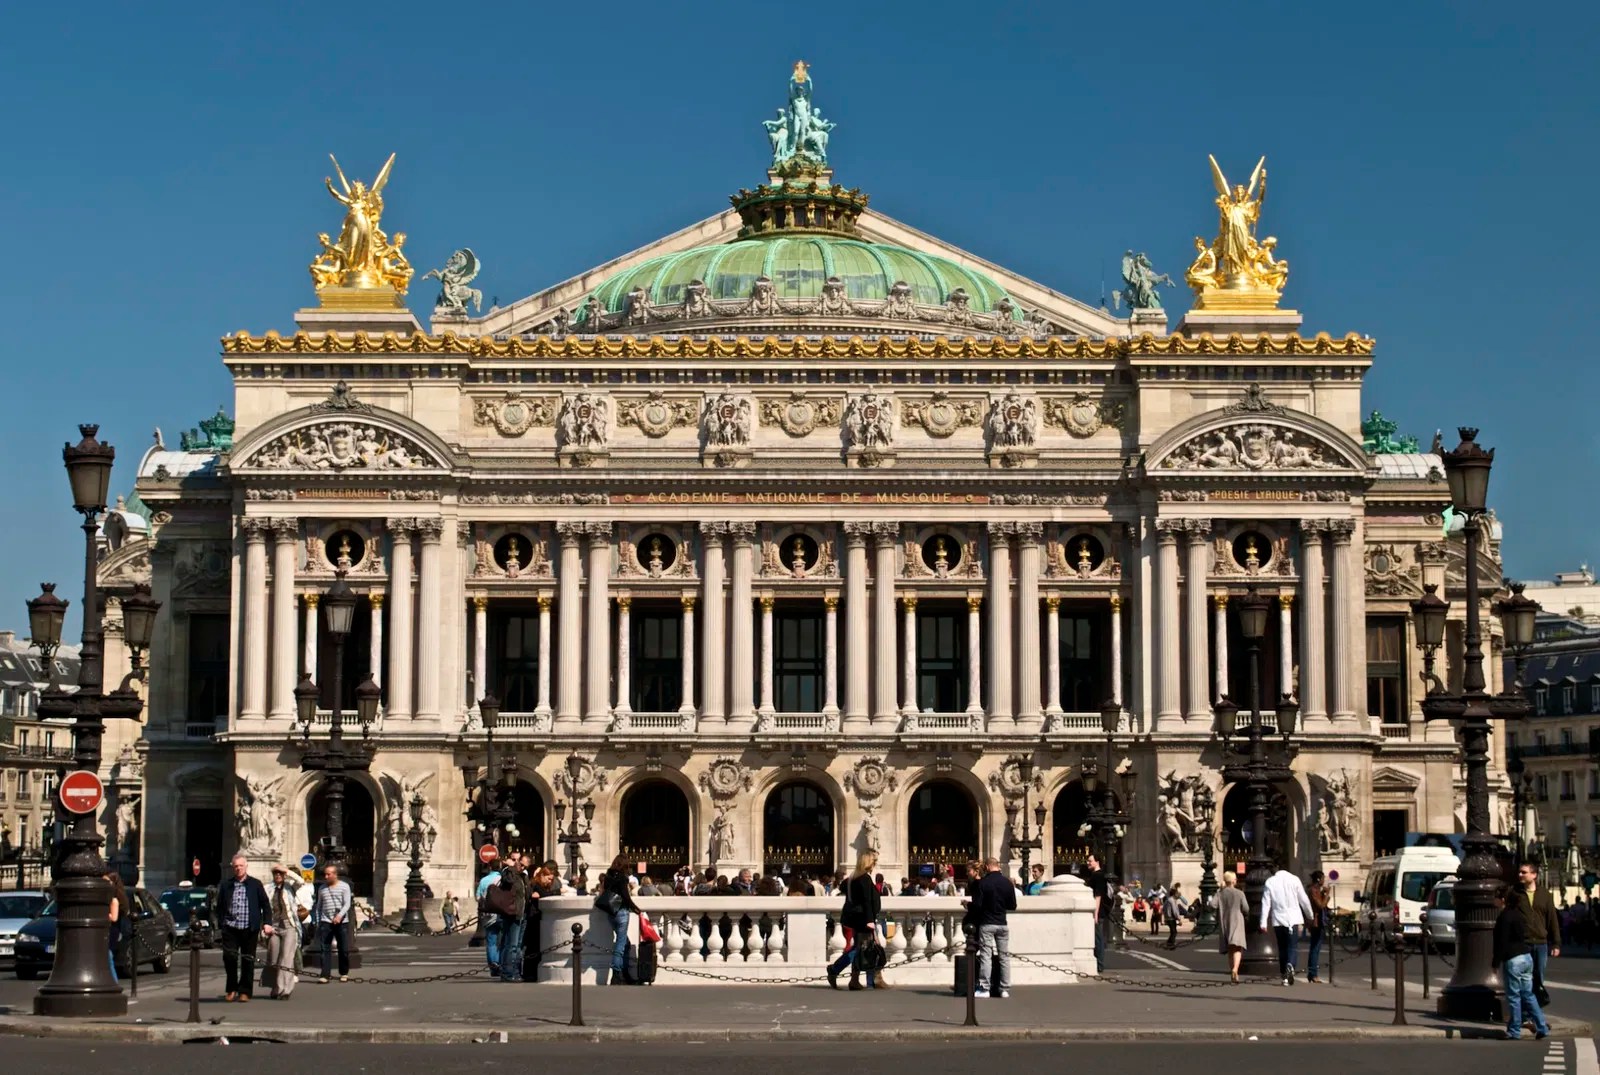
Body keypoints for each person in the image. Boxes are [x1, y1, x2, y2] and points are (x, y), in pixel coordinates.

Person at [1494, 884, 1550, 1040]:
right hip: (1526, 957)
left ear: (1502, 900)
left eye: (1496, 898)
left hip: (1513, 959)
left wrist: (1495, 961)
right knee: (1528, 994)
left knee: (1513, 996)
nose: (1494, 901)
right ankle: (1542, 1026)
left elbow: (1502, 941)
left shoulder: (1504, 916)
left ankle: (1514, 1030)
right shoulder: (1518, 914)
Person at [216, 853, 273, 1001]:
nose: (238, 869)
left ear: (246, 866)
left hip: (249, 928)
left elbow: (265, 905)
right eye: (235, 866)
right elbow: (220, 906)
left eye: (241, 866)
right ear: (232, 868)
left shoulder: (255, 884)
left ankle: (245, 991)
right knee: (230, 958)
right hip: (231, 927)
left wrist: (267, 923)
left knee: (248, 960)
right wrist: (221, 923)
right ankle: (231, 989)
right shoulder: (226, 885)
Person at [827, 850, 884, 991]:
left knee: (860, 948)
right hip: (864, 919)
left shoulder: (852, 879)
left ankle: (855, 980)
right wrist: (870, 920)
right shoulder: (864, 879)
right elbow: (866, 902)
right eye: (873, 862)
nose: (874, 865)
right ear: (868, 863)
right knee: (862, 950)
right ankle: (835, 969)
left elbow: (842, 887)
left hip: (854, 918)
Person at [966, 855, 1017, 998]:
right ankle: (1004, 988)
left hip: (987, 923)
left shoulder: (984, 883)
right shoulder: (1007, 883)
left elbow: (978, 905)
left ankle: (985, 988)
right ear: (998, 866)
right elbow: (1012, 906)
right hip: (1002, 923)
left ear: (987, 867)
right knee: (1004, 957)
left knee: (986, 956)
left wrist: (968, 905)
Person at [1514, 861, 1561, 1004]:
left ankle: (1536, 1012)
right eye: (1520, 872)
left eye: (1524, 872)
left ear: (1534, 875)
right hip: (1522, 943)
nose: (1520, 874)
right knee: (1523, 979)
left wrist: (1556, 943)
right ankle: (1527, 1014)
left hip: (1540, 943)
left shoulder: (1545, 895)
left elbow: (1552, 919)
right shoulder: (1515, 893)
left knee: (1538, 978)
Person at [1259, 863, 1314, 986]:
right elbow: (1303, 900)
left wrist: (1263, 922)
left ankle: (1284, 975)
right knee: (1292, 946)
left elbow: (1266, 903)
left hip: (1278, 919)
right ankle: (1291, 965)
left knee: (1282, 947)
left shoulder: (1270, 882)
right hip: (1293, 919)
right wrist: (1310, 915)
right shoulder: (1295, 880)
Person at [598, 855, 641, 984]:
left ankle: (625, 972)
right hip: (621, 912)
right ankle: (616, 974)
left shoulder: (608, 877)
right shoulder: (622, 878)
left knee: (625, 943)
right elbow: (625, 896)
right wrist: (635, 908)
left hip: (611, 913)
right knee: (621, 944)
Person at [263, 865, 301, 999]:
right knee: (273, 958)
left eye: (280, 874)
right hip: (274, 926)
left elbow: (300, 881)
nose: (278, 876)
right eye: (276, 874)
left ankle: (285, 990)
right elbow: (263, 906)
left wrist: (286, 870)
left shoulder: (290, 887)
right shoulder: (268, 888)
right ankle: (275, 986)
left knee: (286, 958)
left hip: (288, 925)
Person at [314, 864, 353, 983]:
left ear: (335, 874)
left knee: (343, 948)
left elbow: (347, 904)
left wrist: (339, 915)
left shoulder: (344, 886)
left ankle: (344, 972)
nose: (326, 876)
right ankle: (325, 974)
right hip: (326, 921)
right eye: (325, 874)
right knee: (325, 948)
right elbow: (319, 905)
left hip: (341, 922)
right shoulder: (322, 888)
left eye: (328, 874)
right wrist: (318, 920)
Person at [1216, 871, 1248, 983]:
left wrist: (1219, 890)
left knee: (1230, 949)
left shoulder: (1220, 893)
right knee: (1238, 947)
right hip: (1238, 921)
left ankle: (1232, 971)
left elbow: (1212, 905)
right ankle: (1235, 969)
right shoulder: (1240, 893)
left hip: (1225, 921)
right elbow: (1246, 908)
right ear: (1234, 880)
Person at [1084, 854, 1109, 972]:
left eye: (1090, 861)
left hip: (1098, 911)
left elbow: (1097, 896)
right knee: (1096, 938)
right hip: (1098, 911)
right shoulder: (1098, 875)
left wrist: (1096, 913)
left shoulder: (1098, 876)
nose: (1088, 863)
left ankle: (1099, 964)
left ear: (1097, 862)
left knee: (1098, 939)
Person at [1306, 870, 1330, 983]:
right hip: (1316, 922)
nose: (1324, 880)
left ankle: (1312, 973)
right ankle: (1313, 974)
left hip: (1317, 921)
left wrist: (1324, 895)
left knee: (1314, 948)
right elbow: (1320, 905)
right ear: (1318, 880)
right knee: (1315, 948)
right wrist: (1327, 895)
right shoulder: (1314, 890)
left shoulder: (1314, 890)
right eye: (1323, 878)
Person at [105, 871, 128, 982]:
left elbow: (114, 917)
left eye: (107, 882)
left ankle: (114, 982)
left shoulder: (114, 900)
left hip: (111, 930)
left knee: (108, 956)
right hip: (108, 930)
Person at [1162, 884, 1188, 949]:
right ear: (1174, 894)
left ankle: (1169, 943)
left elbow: (1164, 909)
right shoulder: (1172, 900)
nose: (1178, 895)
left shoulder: (1169, 899)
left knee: (1173, 932)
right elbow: (1175, 911)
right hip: (1171, 918)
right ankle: (1170, 944)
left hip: (1169, 918)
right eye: (1177, 893)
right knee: (1174, 932)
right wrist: (1179, 919)